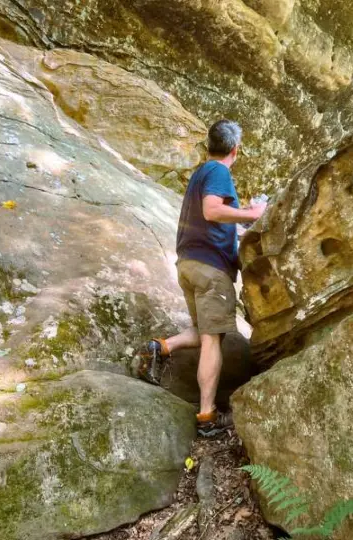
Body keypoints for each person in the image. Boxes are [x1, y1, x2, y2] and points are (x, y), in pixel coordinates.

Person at [139, 119, 267, 436]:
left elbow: (214, 220)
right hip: (210, 269)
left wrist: (241, 224)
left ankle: (160, 348)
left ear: (209, 145)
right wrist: (253, 214)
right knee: (212, 340)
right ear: (235, 150)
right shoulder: (219, 172)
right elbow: (212, 211)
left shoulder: (200, 174)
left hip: (189, 264)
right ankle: (207, 417)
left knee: (203, 330)